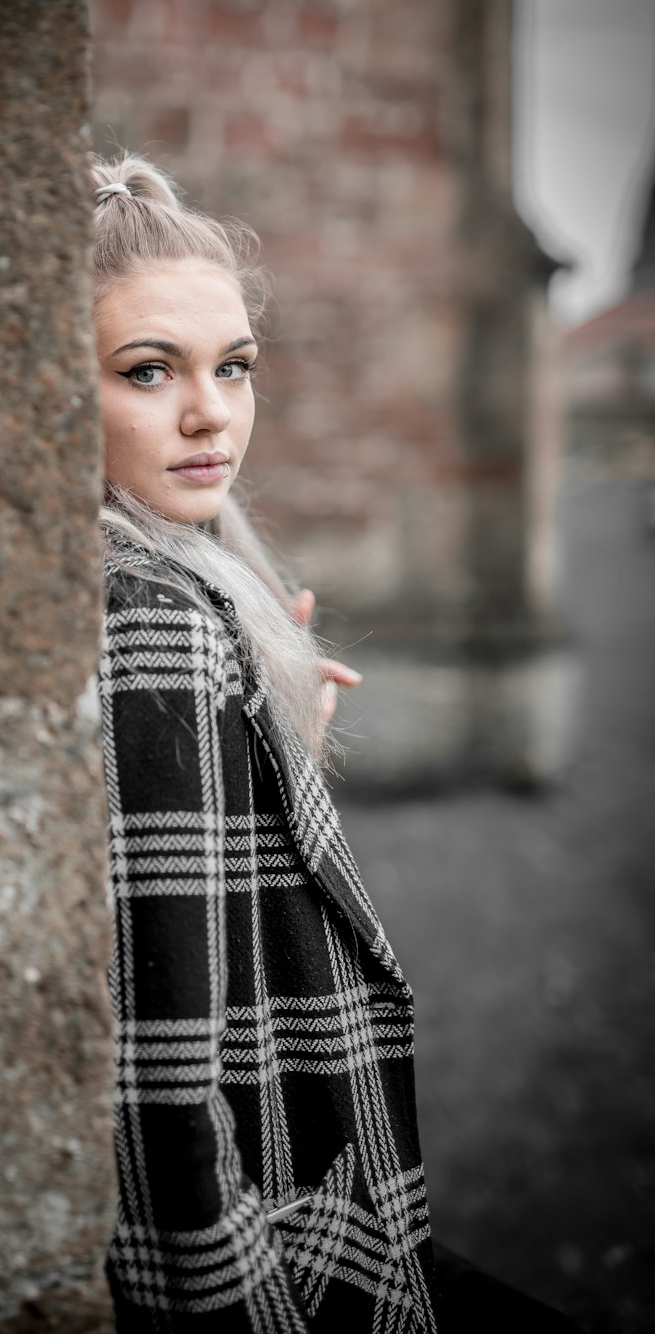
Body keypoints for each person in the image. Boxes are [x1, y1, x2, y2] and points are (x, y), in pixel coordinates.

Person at [92, 153, 583, 1333]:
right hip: (282, 1244)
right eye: (147, 371)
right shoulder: (154, 623)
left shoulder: (175, 590)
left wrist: (274, 755)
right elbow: (166, 1082)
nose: (211, 413)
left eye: (234, 367)